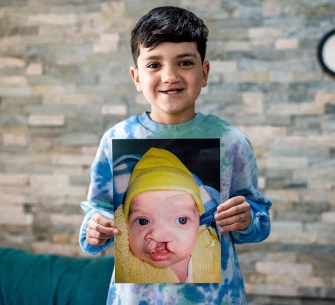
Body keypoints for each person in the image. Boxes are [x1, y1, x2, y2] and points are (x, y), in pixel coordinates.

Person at [79, 5, 272, 304]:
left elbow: (258, 218)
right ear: (136, 77)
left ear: (204, 73)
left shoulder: (231, 142)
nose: (169, 76)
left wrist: (247, 219)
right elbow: (98, 208)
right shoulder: (116, 139)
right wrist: (95, 227)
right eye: (154, 65)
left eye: (184, 62)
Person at [113, 147, 221, 284]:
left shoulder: (214, 248)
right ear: (125, 223)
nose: (159, 236)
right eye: (142, 221)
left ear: (199, 222)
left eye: (181, 220)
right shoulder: (123, 261)